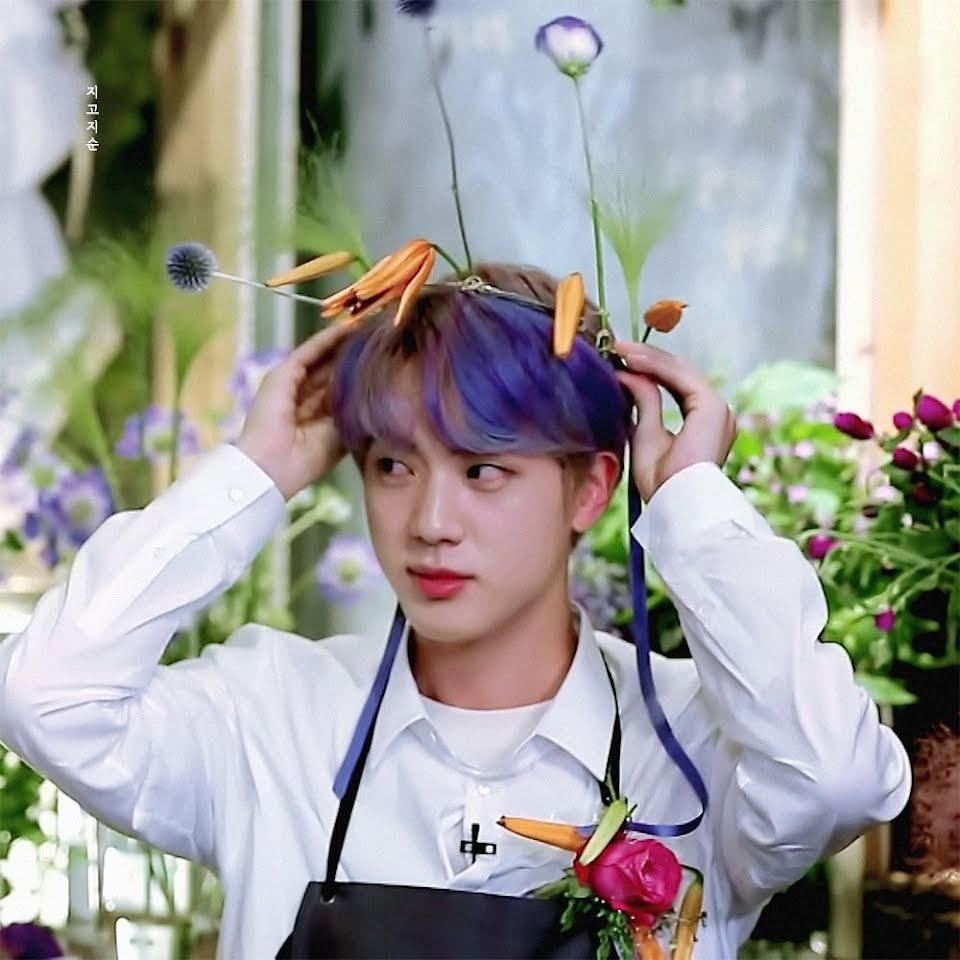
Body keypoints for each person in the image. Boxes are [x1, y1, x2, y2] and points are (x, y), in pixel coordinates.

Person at [0, 263, 910, 959]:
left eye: (483, 470)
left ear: (593, 487)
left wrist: (693, 505)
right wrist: (256, 472)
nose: (430, 522)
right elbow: (46, 700)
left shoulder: (697, 744)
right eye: (394, 465)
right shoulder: (266, 715)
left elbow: (838, 780)